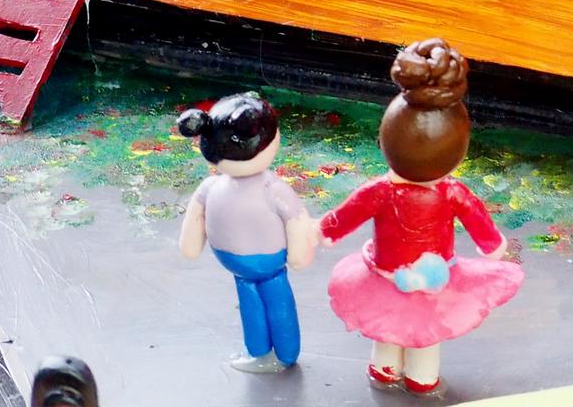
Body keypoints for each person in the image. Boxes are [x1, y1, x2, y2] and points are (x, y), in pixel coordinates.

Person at [320, 39, 523, 395]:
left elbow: (343, 217)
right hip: (432, 277)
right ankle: (421, 377)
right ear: (459, 150)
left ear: (385, 140)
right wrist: (494, 248)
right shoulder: (452, 192)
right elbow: (481, 225)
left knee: (387, 325)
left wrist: (324, 232)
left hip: (387, 273)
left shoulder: (380, 190)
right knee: (426, 332)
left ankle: (385, 369)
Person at [178, 93, 316, 372]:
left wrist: (190, 245)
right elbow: (296, 221)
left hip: (236, 263)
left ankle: (261, 352)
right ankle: (285, 353)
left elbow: (194, 221)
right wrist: (300, 254)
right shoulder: (272, 189)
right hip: (269, 262)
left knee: (252, 303)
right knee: (277, 303)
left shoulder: (211, 187)